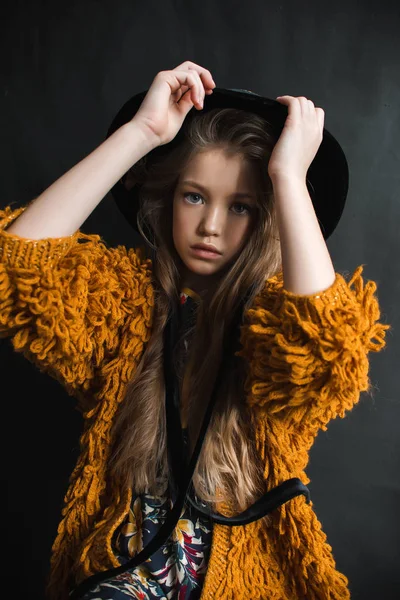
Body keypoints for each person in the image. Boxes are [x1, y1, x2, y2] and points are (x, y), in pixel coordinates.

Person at [0, 60, 390, 600]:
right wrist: (142, 134)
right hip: (125, 573)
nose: (211, 226)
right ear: (168, 199)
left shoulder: (271, 322)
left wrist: (289, 179)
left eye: (242, 208)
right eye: (195, 196)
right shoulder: (128, 301)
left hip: (242, 579)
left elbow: (329, 346)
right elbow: (18, 271)